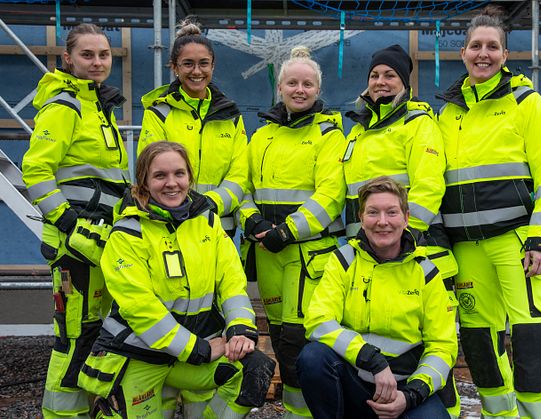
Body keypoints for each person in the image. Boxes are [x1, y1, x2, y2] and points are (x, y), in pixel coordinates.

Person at [77, 141, 275, 418]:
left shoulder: (207, 221)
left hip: (189, 356)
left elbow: (232, 282)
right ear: (144, 182)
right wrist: (199, 349)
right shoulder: (127, 233)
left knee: (252, 370)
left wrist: (240, 328)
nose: (172, 183)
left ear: (189, 177)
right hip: (139, 355)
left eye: (179, 174)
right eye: (160, 176)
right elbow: (140, 308)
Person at [435, 6, 541, 418]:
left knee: (529, 341)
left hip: (515, 242)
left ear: (505, 55)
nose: (483, 54)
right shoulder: (448, 112)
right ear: (463, 53)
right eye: (476, 46)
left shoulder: (526, 102)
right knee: (478, 345)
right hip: (466, 248)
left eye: (493, 47)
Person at [341, 43, 461, 417]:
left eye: (389, 75)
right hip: (366, 251)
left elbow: (428, 186)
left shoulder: (416, 124)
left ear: (405, 83)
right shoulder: (357, 132)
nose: (380, 81)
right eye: (375, 75)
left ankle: (443, 412)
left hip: (413, 249)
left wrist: (403, 235)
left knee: (431, 341)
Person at [22, 23, 130, 418]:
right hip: (75, 243)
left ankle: (90, 408)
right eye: (88, 55)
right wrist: (66, 220)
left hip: (98, 239)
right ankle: (63, 413)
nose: (98, 62)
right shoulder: (65, 106)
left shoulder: (98, 106)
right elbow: (35, 170)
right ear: (68, 59)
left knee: (97, 331)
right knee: (74, 335)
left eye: (103, 55)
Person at [238, 45, 346, 418]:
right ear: (280, 87)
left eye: (308, 84)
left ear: (318, 89)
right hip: (269, 254)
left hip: (307, 255)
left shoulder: (330, 134)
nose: (299, 90)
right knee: (283, 341)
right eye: (292, 83)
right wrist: (250, 220)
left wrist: (286, 231)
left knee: (304, 342)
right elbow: (243, 186)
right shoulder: (261, 136)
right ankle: (294, 412)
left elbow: (331, 195)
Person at [297, 176, 458, 419]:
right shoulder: (343, 261)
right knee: (313, 358)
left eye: (392, 212)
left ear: (406, 218)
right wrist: (371, 359)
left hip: (404, 387)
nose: (382, 222)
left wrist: (413, 394)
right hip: (355, 382)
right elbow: (318, 321)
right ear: (361, 219)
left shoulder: (426, 273)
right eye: (373, 213)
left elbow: (442, 345)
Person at [139, 18, 247, 239]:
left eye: (203, 63)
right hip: (171, 225)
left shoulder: (231, 117)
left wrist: (210, 204)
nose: (196, 71)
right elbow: (151, 171)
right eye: (188, 63)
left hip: (220, 226)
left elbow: (240, 175)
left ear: (213, 66)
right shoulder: (159, 114)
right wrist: (185, 207)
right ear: (174, 67)